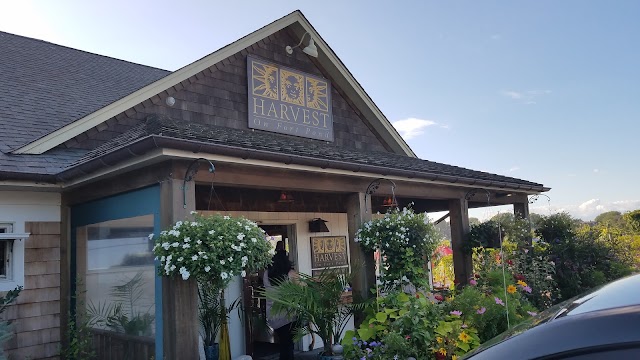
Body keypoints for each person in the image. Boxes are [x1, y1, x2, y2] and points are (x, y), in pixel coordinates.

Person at [263, 241, 297, 360]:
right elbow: (302, 290)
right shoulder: (290, 274)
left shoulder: (266, 274)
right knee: (288, 345)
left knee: (283, 343)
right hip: (289, 314)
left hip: (273, 314)